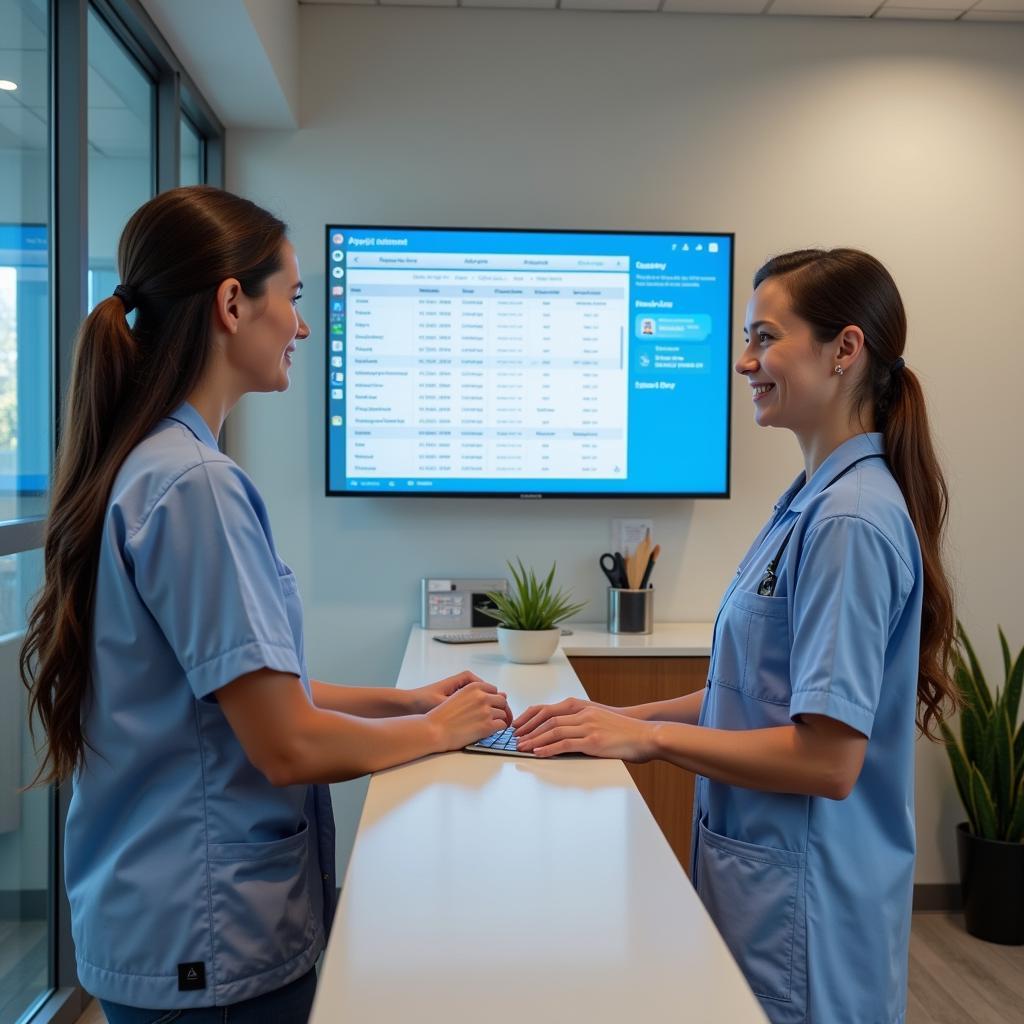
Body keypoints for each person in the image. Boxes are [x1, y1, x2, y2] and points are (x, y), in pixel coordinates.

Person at [20, 186, 511, 1023]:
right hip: (207, 931)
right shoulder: (195, 486)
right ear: (232, 302)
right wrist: (435, 734)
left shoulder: (154, 464)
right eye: (294, 298)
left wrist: (407, 699)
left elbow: (240, 696)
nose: (304, 328)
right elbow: (282, 743)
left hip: (164, 913)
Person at [513, 249, 959, 1024]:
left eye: (764, 337)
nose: (744, 361)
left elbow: (827, 758)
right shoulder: (809, 504)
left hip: (808, 917)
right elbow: (746, 693)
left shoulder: (849, 520)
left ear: (844, 350)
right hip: (767, 895)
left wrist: (645, 743)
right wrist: (616, 722)